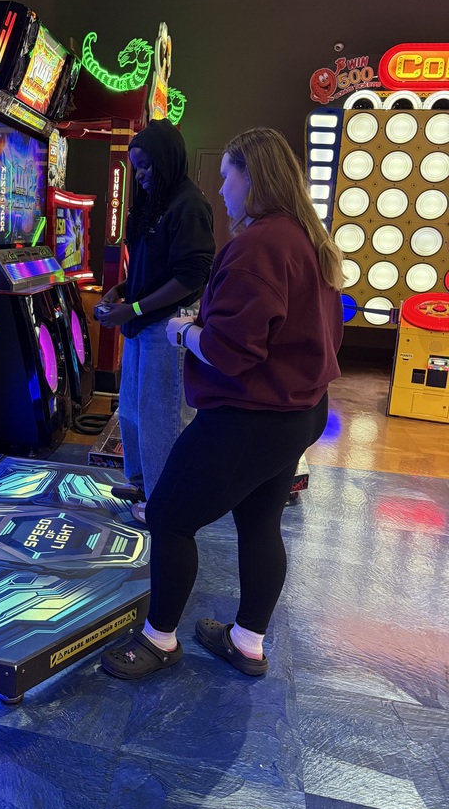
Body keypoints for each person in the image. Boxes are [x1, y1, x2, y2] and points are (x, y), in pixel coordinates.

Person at [100, 126, 344, 680]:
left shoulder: (259, 245)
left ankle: (158, 640)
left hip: (249, 415)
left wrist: (185, 332)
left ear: (251, 177)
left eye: (226, 175)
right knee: (259, 522)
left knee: (168, 516)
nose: (220, 187)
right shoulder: (307, 236)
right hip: (301, 411)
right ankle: (247, 642)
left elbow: (229, 353)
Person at [95, 118, 215, 523]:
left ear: (166, 160)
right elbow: (151, 268)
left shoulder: (189, 205)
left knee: (162, 417)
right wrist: (121, 291)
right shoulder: (153, 202)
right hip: (141, 320)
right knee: (132, 410)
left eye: (146, 165)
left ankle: (166, 501)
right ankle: (145, 483)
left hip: (167, 325)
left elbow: (191, 276)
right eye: (136, 167)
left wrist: (134, 308)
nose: (140, 174)